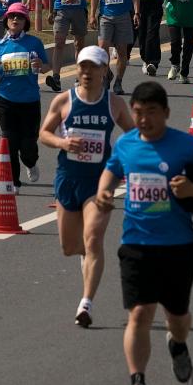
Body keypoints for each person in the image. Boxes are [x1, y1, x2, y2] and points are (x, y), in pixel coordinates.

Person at [93, 81, 193, 385]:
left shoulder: (187, 146)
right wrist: (104, 192)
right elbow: (110, 173)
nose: (143, 119)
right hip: (136, 243)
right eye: (137, 113)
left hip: (179, 246)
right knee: (139, 313)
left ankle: (178, 344)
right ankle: (138, 382)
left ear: (165, 112)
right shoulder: (126, 144)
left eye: (151, 113)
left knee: (176, 316)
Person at [39, 45, 135, 328]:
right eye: (83, 66)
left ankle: (86, 303)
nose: (87, 72)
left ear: (105, 70)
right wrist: (62, 143)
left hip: (100, 181)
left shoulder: (114, 103)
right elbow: (43, 133)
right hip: (68, 178)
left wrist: (127, 165)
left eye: (93, 67)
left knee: (93, 238)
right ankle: (87, 258)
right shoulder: (63, 101)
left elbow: (133, 136)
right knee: (70, 247)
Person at [0, 2, 48, 187]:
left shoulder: (34, 43)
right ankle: (15, 182)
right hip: (6, 101)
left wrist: (39, 65)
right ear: (6, 21)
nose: (15, 19)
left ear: (25, 22)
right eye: (12, 17)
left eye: (20, 17)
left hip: (29, 101)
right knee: (10, 144)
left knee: (28, 146)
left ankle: (30, 162)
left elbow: (47, 67)